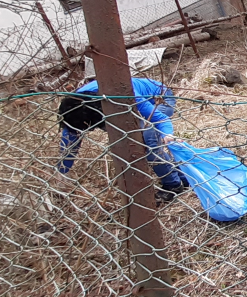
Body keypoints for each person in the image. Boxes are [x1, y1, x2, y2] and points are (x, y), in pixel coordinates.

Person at [56, 77, 188, 203]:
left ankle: (173, 186)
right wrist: (62, 172)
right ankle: (184, 177)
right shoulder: (74, 107)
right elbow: (71, 138)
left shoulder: (123, 94)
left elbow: (160, 118)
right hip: (121, 107)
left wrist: (167, 135)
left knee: (147, 141)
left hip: (158, 98)